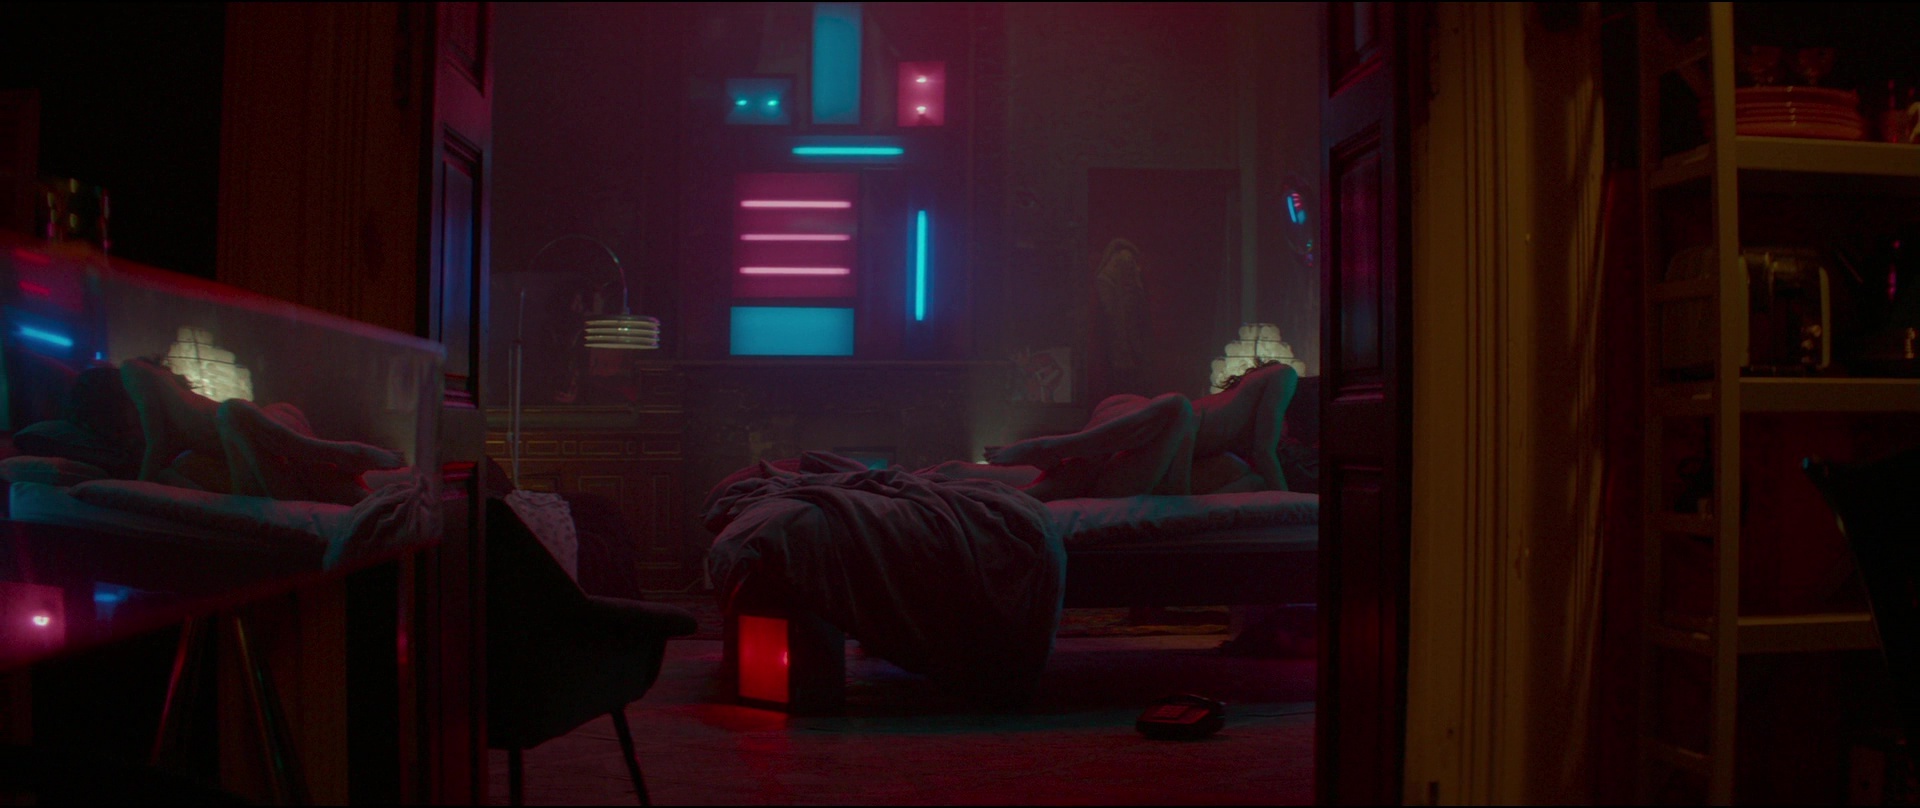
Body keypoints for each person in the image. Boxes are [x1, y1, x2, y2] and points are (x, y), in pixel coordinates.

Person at [970, 360, 1300, 501]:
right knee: (1168, 407)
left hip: (1149, 449)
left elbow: (1260, 454)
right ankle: (1052, 452)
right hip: (1144, 435)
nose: (1279, 432)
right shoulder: (1283, 375)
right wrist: (1291, 503)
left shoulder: (1240, 463)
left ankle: (1054, 448)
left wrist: (1287, 502)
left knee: (1176, 406)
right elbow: (1265, 449)